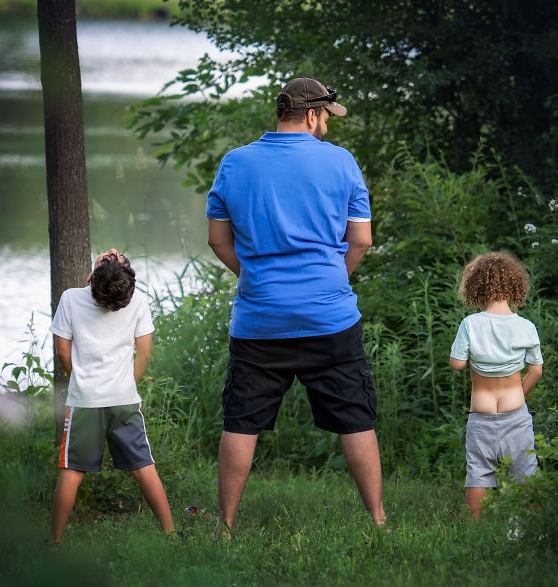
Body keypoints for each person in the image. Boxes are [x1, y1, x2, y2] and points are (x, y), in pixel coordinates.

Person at [206, 77, 385, 534]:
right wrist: (330, 281)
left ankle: (224, 525)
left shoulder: (235, 163)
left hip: (259, 319)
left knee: (241, 420)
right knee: (355, 418)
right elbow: (360, 240)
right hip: (330, 317)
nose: (327, 124)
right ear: (310, 115)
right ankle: (379, 522)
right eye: (326, 116)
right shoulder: (342, 163)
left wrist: (252, 277)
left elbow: (217, 239)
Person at [47, 249, 175, 543]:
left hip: (85, 401)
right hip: (123, 399)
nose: (114, 253)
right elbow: (144, 351)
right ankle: (170, 534)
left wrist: (79, 380)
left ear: (93, 277)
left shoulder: (70, 298)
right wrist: (129, 386)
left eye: (114, 258)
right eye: (112, 257)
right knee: (144, 468)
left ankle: (54, 541)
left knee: (72, 472)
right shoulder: (137, 300)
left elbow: (62, 351)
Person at [449, 251, 543, 519]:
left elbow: (457, 364)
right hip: (516, 413)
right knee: (526, 471)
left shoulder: (470, 324)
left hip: (481, 415)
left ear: (475, 288)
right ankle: (535, 524)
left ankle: (474, 527)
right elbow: (536, 371)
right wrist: (519, 394)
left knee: (478, 470)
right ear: (515, 287)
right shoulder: (526, 327)